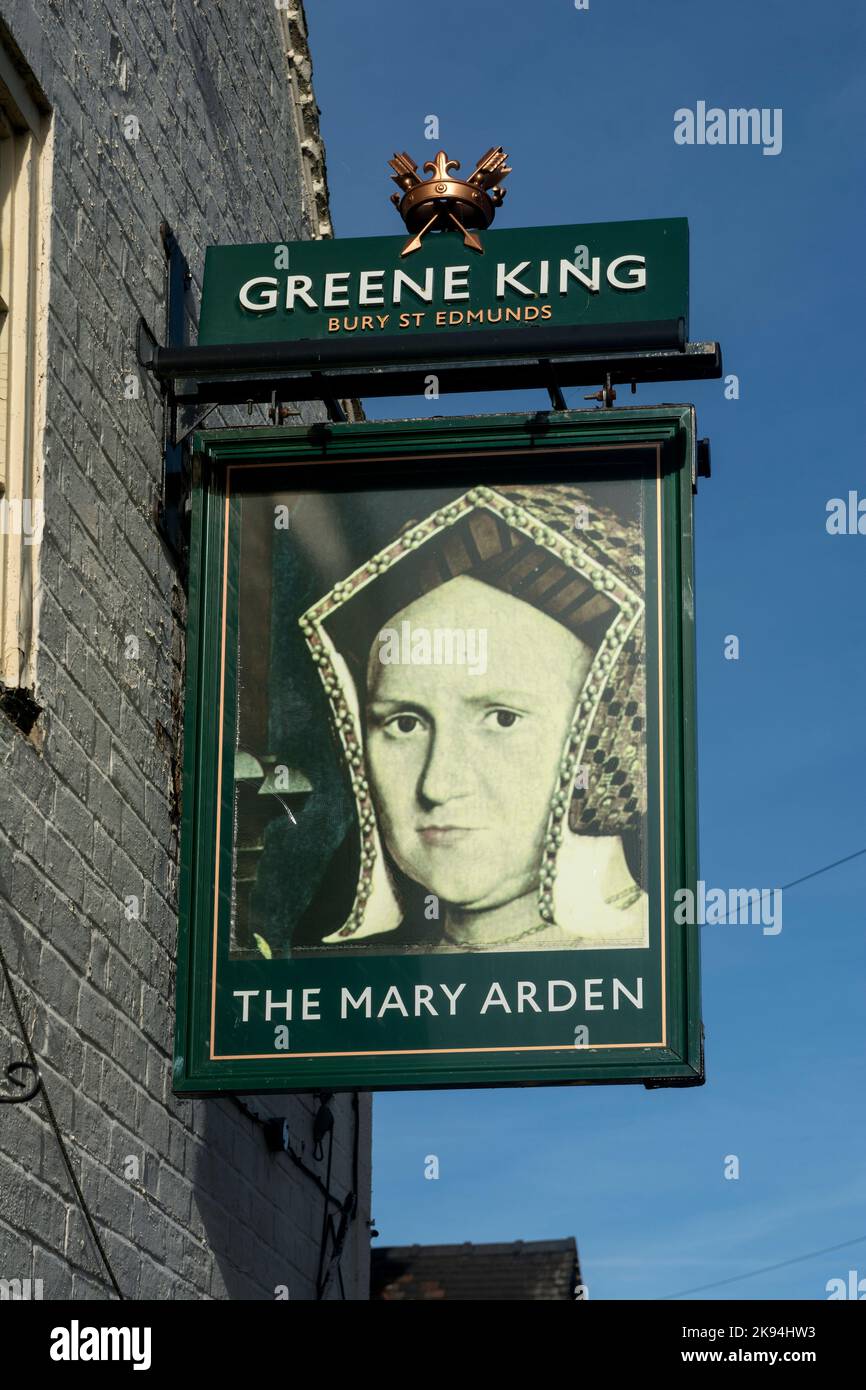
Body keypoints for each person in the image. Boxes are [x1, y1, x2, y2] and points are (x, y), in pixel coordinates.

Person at [298, 481, 648, 952]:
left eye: (502, 719)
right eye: (405, 723)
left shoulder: (646, 971)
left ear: (607, 735)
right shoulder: (355, 990)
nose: (437, 785)